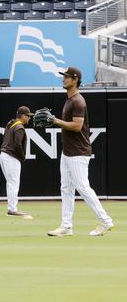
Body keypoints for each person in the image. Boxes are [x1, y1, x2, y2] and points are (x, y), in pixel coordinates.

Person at [46, 67, 115, 237]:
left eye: (67, 77)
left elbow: (77, 126)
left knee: (83, 187)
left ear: (75, 79)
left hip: (78, 152)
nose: (64, 79)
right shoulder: (69, 99)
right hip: (68, 151)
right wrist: (56, 121)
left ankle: (105, 221)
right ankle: (66, 226)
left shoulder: (78, 101)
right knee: (66, 188)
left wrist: (55, 121)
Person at [0, 106, 34, 219]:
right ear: (23, 116)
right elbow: (18, 144)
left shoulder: (11, 123)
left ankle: (12, 208)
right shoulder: (19, 127)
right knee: (14, 183)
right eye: (28, 116)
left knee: (11, 183)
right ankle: (12, 209)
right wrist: (22, 156)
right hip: (11, 156)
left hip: (4, 155)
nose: (29, 118)